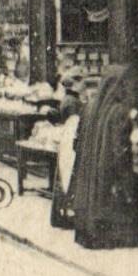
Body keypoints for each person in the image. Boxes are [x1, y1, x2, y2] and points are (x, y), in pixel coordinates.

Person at [68, 59, 138, 250]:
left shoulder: (91, 107)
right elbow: (120, 153)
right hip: (107, 178)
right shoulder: (118, 112)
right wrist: (128, 184)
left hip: (88, 177)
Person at [50, 92, 81, 231]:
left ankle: (59, 215)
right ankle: (64, 214)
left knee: (62, 180)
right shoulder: (74, 117)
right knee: (67, 181)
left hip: (65, 147)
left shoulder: (67, 102)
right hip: (69, 149)